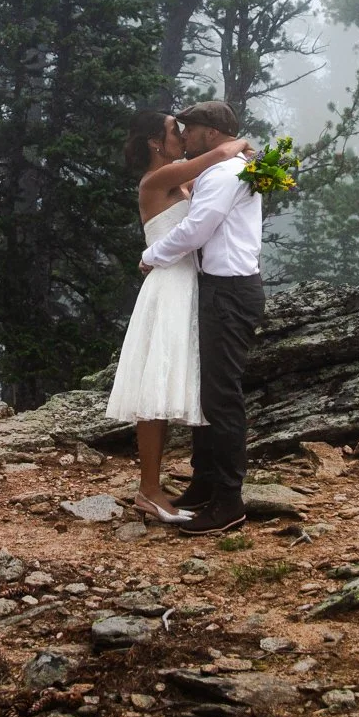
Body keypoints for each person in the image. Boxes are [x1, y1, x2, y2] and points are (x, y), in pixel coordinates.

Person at [106, 110, 253, 523]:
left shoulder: (180, 179)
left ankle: (169, 483)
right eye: (176, 131)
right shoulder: (158, 179)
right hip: (169, 288)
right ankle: (148, 489)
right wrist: (240, 146)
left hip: (188, 287)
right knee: (156, 389)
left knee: (176, 387)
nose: (183, 136)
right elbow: (218, 155)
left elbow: (212, 184)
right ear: (157, 141)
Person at [139, 101, 264, 536]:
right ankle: (205, 483)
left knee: (221, 397)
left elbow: (197, 229)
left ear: (211, 133)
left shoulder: (224, 173)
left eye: (189, 128)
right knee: (209, 394)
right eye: (180, 129)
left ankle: (228, 500)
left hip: (229, 291)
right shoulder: (220, 169)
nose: (186, 136)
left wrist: (150, 256)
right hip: (215, 288)